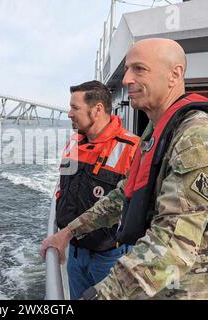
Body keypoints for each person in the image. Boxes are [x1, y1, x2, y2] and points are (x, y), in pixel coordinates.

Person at [41, 38, 208, 299]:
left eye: (139, 69)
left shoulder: (197, 138)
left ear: (175, 74)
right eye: (127, 69)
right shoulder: (154, 135)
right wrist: (69, 232)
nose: (126, 79)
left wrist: (99, 295)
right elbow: (121, 196)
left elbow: (173, 242)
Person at [56, 81, 139, 299]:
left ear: (97, 109)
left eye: (75, 108)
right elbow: (62, 188)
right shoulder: (73, 142)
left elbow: (134, 206)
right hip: (74, 253)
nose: (69, 114)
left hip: (110, 258)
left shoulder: (131, 149)